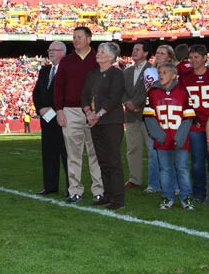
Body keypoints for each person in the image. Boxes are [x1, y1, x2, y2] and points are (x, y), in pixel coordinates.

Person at [53, 26, 104, 203]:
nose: (75, 40)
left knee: (95, 153)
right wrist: (59, 110)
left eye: (79, 37)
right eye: (74, 37)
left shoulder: (99, 59)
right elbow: (58, 86)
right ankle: (75, 190)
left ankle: (99, 190)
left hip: (94, 111)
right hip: (71, 111)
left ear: (89, 39)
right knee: (73, 154)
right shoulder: (66, 61)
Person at [143, 62, 196, 210]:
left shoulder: (183, 91)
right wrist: (159, 135)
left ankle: (186, 197)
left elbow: (189, 116)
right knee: (165, 169)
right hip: (162, 139)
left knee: (182, 168)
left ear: (174, 75)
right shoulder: (152, 92)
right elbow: (148, 116)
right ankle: (167, 196)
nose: (161, 75)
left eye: (165, 72)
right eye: (159, 72)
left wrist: (180, 137)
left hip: (180, 138)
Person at [180, 44, 209, 203]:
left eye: (196, 57)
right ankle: (199, 193)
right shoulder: (185, 77)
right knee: (197, 162)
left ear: (205, 58)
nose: (193, 60)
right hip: (196, 125)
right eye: (190, 57)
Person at [82, 42, 126, 210]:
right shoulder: (92, 74)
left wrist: (98, 114)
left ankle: (118, 198)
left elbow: (114, 97)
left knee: (113, 160)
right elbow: (84, 95)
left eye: (102, 51)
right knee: (102, 160)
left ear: (111, 56)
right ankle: (107, 194)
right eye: (99, 51)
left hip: (111, 121)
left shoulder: (116, 74)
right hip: (96, 122)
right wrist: (88, 113)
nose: (98, 54)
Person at [32, 41, 68, 196]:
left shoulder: (68, 70)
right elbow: (36, 92)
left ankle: (71, 187)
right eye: (49, 50)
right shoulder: (45, 70)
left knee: (66, 154)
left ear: (63, 52)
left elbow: (67, 93)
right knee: (48, 153)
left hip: (62, 117)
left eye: (54, 50)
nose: (51, 52)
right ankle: (50, 185)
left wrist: (54, 109)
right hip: (46, 119)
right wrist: (40, 108)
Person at [141, 44, 178, 194]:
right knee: (153, 152)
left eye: (162, 53)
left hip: (172, 115)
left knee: (173, 153)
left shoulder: (176, 72)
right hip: (155, 115)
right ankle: (154, 184)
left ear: (169, 57)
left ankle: (174, 185)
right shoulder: (150, 71)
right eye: (157, 52)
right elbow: (151, 91)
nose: (158, 55)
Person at [123, 41, 153, 189]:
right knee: (132, 149)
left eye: (138, 49)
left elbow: (151, 91)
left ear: (146, 53)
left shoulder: (152, 70)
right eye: (134, 49)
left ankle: (155, 181)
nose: (134, 52)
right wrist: (127, 102)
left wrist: (136, 104)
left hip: (147, 116)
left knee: (152, 150)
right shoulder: (127, 71)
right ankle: (134, 179)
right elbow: (121, 90)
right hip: (131, 115)